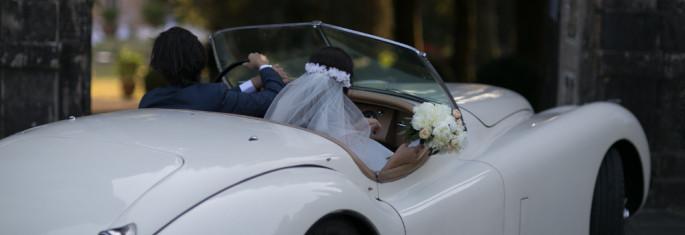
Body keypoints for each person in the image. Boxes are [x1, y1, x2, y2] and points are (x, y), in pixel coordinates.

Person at [264, 47, 424, 172]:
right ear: (344, 85)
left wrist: (354, 128)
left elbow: (322, 132)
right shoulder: (341, 153)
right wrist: (397, 160)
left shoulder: (287, 120)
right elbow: (374, 182)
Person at [139, 26, 287, 117]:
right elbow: (273, 100)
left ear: (159, 65)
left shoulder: (148, 101)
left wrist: (255, 82)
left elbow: (215, 99)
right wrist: (263, 65)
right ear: (199, 59)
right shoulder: (213, 98)